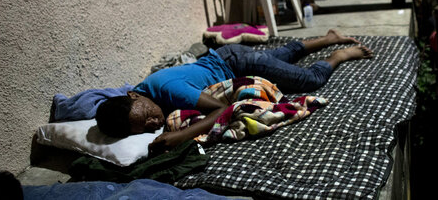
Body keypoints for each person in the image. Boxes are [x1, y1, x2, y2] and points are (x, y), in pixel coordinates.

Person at [96, 29, 372, 153]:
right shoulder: (139, 93)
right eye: (145, 127)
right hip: (228, 57)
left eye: (147, 117)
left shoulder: (168, 91)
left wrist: (181, 136)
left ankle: (339, 53)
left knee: (308, 80)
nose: (154, 122)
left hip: (236, 64)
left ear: (134, 97)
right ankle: (328, 37)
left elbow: (220, 109)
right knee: (282, 56)